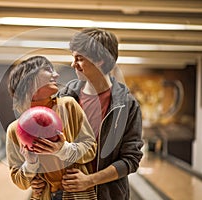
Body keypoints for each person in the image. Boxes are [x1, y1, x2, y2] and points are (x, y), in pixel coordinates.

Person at [31, 28, 144, 199]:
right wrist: (38, 178)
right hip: (64, 194)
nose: (73, 64)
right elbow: (47, 146)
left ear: (99, 60)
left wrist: (89, 180)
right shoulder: (64, 97)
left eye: (79, 59)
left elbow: (131, 160)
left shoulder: (127, 105)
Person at [6, 55, 97, 200]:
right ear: (30, 79)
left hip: (79, 195)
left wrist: (63, 150)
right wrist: (30, 164)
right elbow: (20, 182)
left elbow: (91, 148)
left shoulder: (68, 106)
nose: (56, 74)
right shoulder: (14, 130)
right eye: (48, 70)